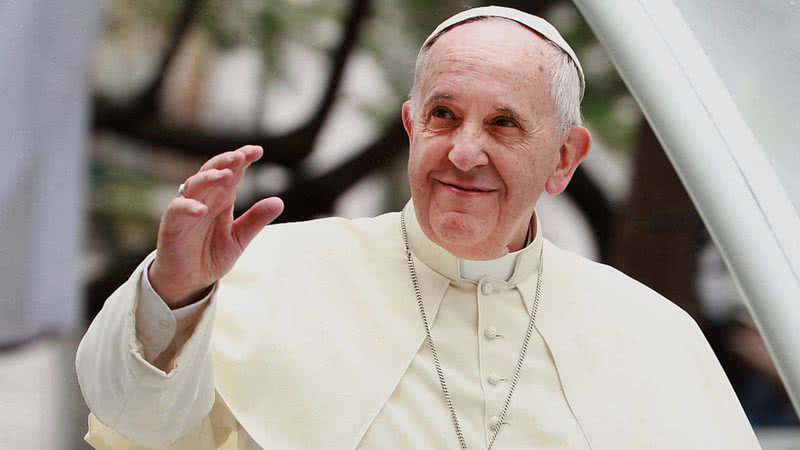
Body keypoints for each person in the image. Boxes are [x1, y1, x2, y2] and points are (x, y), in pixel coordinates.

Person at [76, 6, 762, 450]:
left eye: (502, 123)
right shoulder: (265, 270)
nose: (464, 152)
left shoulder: (653, 332)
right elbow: (135, 424)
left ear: (563, 159)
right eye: (443, 115)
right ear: (411, 127)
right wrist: (173, 297)